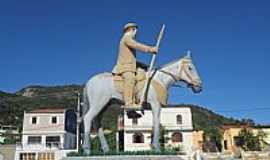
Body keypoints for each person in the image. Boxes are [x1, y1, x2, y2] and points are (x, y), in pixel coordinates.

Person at [112, 22, 158, 109]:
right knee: (130, 79)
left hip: (131, 66)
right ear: (131, 30)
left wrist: (144, 66)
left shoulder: (128, 39)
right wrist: (151, 49)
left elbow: (132, 59)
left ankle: (135, 102)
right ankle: (128, 103)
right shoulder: (126, 38)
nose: (136, 34)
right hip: (125, 67)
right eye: (135, 31)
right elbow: (137, 45)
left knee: (141, 75)